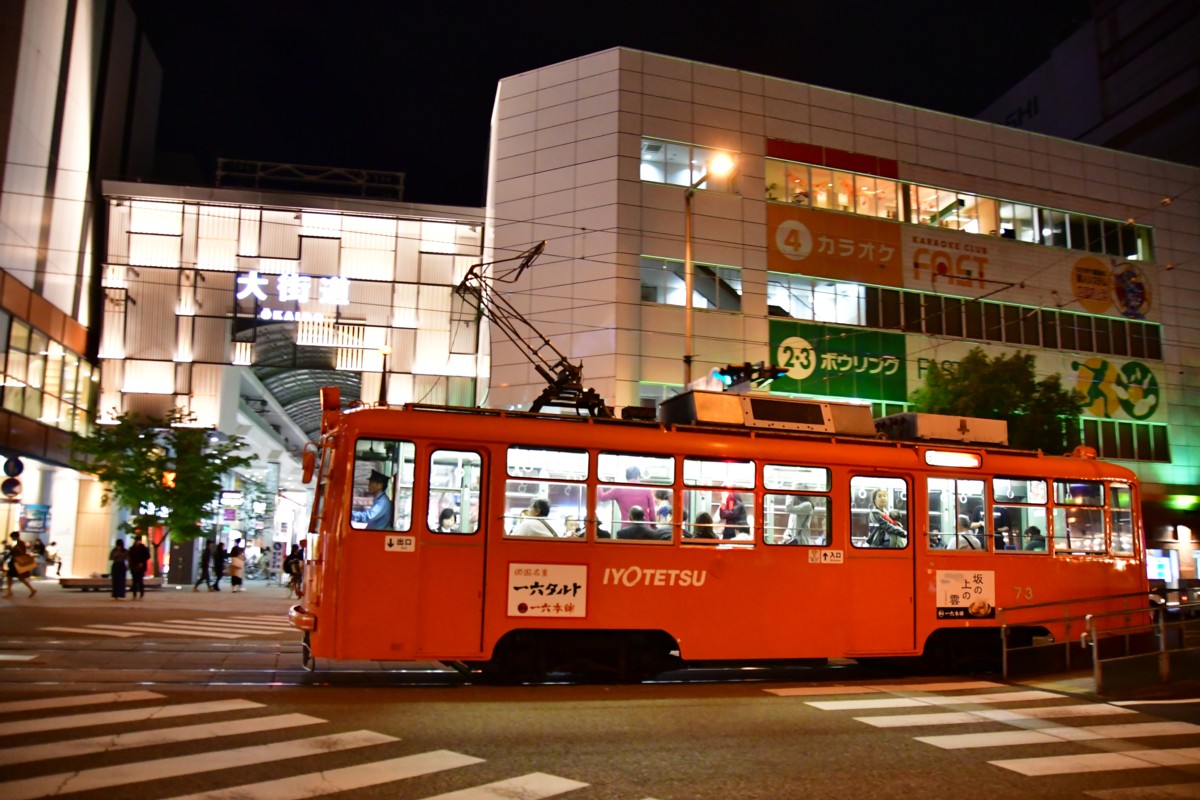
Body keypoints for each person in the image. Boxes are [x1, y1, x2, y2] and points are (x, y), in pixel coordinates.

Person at [3, 532, 37, 598]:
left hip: (16, 563)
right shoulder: (20, 543)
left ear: (15, 536)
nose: (12, 538)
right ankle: (31, 590)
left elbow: (17, 553)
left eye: (12, 537)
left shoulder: (20, 544)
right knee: (16, 577)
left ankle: (10, 591)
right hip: (16, 563)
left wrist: (10, 547)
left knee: (12, 576)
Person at [128, 534, 151, 600]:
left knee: (140, 581)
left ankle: (141, 594)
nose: (137, 542)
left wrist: (142, 562)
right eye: (136, 541)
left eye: (138, 541)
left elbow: (147, 556)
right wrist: (130, 565)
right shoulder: (132, 548)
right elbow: (130, 557)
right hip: (134, 566)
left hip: (141, 566)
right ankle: (134, 594)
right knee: (134, 582)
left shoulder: (143, 548)